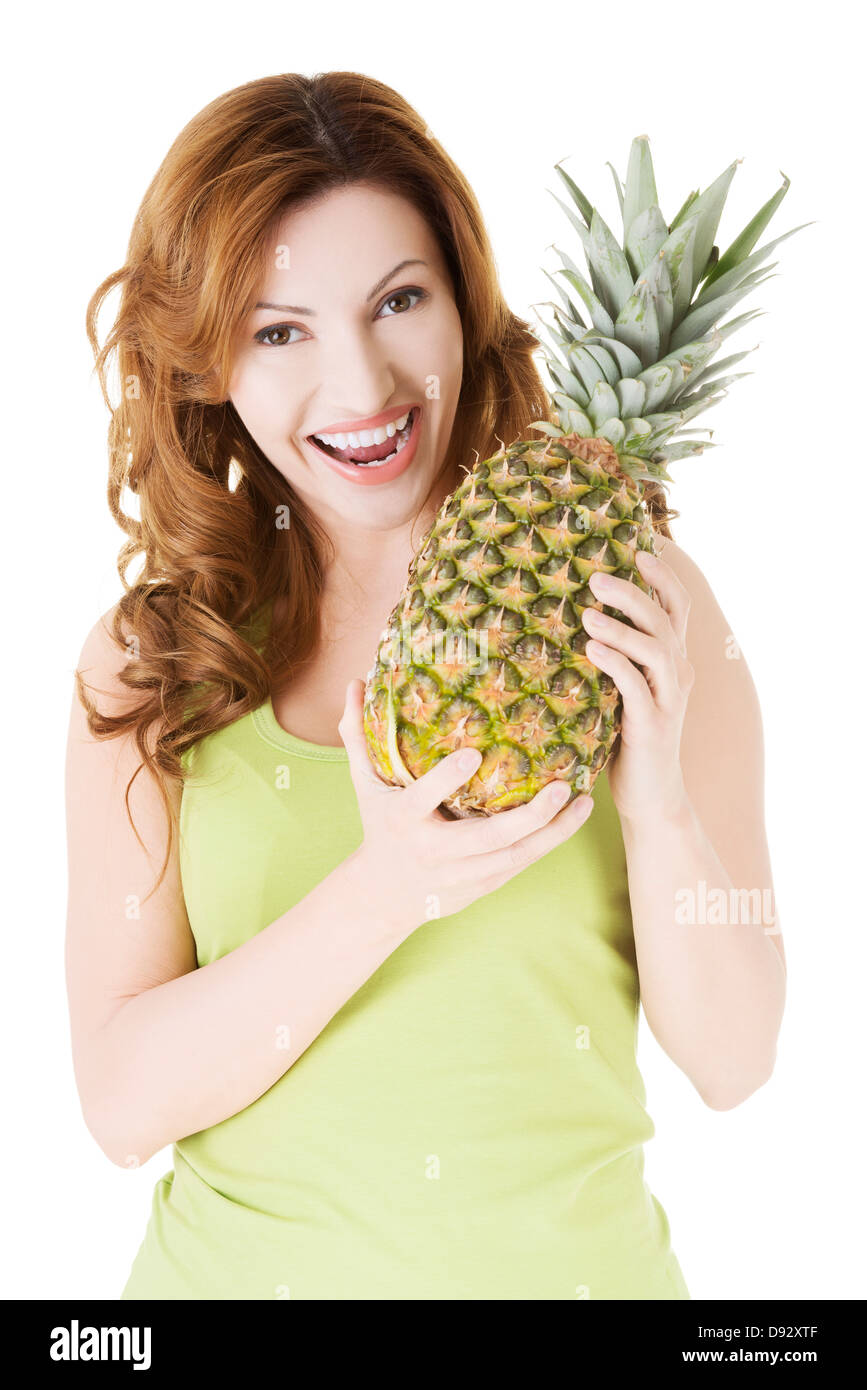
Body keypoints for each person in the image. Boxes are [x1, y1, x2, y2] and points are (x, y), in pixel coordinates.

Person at [65, 71, 786, 1300]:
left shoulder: (641, 605)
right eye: (278, 329)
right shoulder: (158, 653)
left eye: (398, 300)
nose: (361, 389)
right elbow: (122, 1106)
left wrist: (657, 801)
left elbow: (734, 1063)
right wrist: (387, 889)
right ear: (206, 361)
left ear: (466, 303)